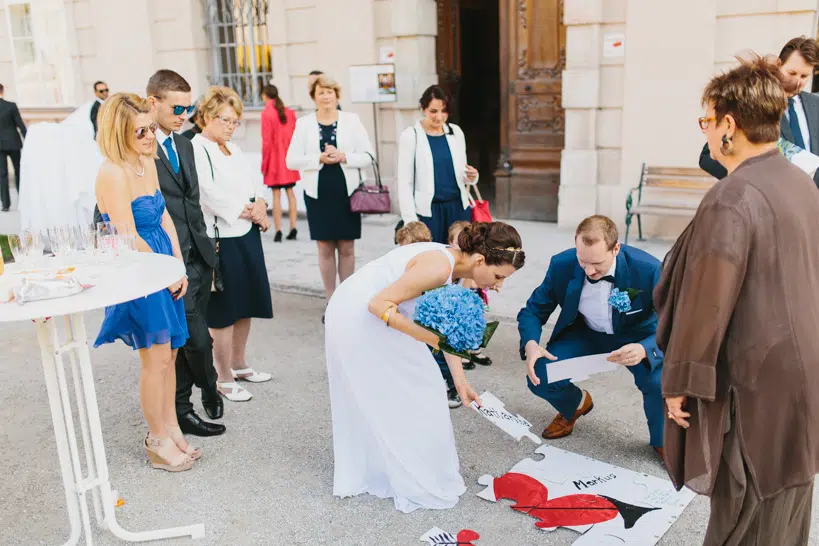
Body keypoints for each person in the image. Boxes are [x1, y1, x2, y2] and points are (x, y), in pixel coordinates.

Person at [657, 55, 819, 545]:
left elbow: (706, 303)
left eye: (706, 121)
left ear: (730, 124)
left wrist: (680, 381)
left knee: (743, 511)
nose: (705, 133)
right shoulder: (799, 181)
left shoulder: (733, 197)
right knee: (786, 499)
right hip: (801, 369)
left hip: (755, 379)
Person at [325, 222, 525, 513]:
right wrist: (428, 338)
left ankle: (401, 467)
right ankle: (411, 476)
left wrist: (461, 383)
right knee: (420, 387)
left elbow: (446, 330)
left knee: (426, 385)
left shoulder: (456, 265)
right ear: (480, 260)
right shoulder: (438, 267)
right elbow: (378, 303)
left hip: (381, 314)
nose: (498, 285)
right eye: (498, 276)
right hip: (357, 315)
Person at [93, 93, 195, 472]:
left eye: (151, 127)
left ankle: (170, 427)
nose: (151, 136)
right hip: (139, 268)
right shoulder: (112, 172)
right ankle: (155, 439)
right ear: (119, 132)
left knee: (169, 354)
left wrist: (178, 265)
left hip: (163, 261)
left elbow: (165, 216)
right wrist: (162, 270)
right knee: (154, 358)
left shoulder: (144, 161)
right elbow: (126, 234)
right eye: (140, 132)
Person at [517, 215, 664, 457]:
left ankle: (662, 440)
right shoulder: (561, 264)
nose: (589, 270)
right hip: (587, 333)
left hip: (637, 336)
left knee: (658, 383)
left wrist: (645, 348)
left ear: (616, 248)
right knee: (540, 375)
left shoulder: (649, 269)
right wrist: (531, 343)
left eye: (597, 264)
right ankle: (575, 404)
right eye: (582, 261)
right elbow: (533, 310)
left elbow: (676, 322)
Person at [146, 70, 224, 437]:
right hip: (166, 261)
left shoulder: (186, 144)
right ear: (153, 102)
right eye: (177, 107)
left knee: (190, 338)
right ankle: (200, 392)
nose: (184, 114)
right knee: (194, 339)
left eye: (188, 107)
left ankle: (186, 403)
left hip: (199, 255)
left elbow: (193, 201)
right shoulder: (140, 146)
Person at [191, 86, 274, 402]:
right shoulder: (197, 149)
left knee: (246, 303)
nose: (230, 126)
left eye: (235, 121)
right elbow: (208, 194)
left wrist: (261, 204)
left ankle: (239, 365)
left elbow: (257, 183)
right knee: (224, 311)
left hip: (247, 234)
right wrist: (250, 211)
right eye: (225, 120)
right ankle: (222, 376)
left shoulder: (234, 150)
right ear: (207, 117)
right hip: (220, 239)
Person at [286, 74, 375, 320]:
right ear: (314, 97)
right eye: (321, 92)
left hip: (346, 190)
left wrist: (344, 156)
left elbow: (369, 155)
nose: (326, 96)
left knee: (347, 247)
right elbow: (291, 160)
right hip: (318, 191)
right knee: (325, 247)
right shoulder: (304, 124)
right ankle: (331, 300)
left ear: (337, 95)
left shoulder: (352, 120)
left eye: (330, 91)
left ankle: (347, 299)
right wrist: (318, 158)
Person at [699, 36, 819, 187]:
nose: (797, 82)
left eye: (804, 76)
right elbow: (707, 157)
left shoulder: (816, 104)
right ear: (779, 64)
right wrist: (756, 182)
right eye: (792, 73)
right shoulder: (753, 100)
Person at [397, 85, 478, 244]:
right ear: (423, 108)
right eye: (433, 111)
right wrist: (410, 220)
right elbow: (404, 182)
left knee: (461, 262)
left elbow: (462, 172)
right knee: (432, 261)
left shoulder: (456, 132)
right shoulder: (411, 136)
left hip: (458, 209)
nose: (439, 117)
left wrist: (472, 176)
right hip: (429, 212)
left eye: (444, 111)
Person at [448, 220, 492, 368]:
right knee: (461, 325)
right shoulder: (449, 260)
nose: (461, 246)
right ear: (450, 242)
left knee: (476, 323)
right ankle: (462, 352)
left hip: (471, 297)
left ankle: (475, 349)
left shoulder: (473, 259)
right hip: (455, 300)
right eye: (457, 241)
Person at [261, 84, 300, 242]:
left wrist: (264, 164)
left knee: (276, 195)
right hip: (289, 158)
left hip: (275, 160)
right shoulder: (289, 112)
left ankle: (278, 230)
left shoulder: (266, 113)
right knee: (291, 193)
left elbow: (266, 142)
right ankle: (293, 227)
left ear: (265, 95)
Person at [0, 83, 27, 212]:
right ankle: (23, 200)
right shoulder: (11, 106)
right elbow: (20, 124)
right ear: (2, 91)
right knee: (18, 171)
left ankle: (5, 204)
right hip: (13, 143)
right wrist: (28, 139)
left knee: (2, 174)